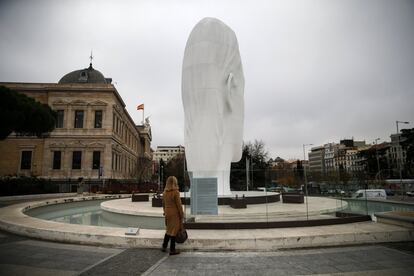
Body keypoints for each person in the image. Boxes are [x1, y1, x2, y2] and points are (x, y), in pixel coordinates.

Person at [161, 176, 184, 255]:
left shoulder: (165, 192)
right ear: (175, 182)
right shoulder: (175, 192)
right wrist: (182, 214)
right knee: (174, 231)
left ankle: (164, 246)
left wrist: (165, 211)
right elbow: (179, 205)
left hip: (167, 212)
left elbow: (163, 204)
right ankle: (172, 249)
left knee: (168, 230)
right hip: (174, 213)